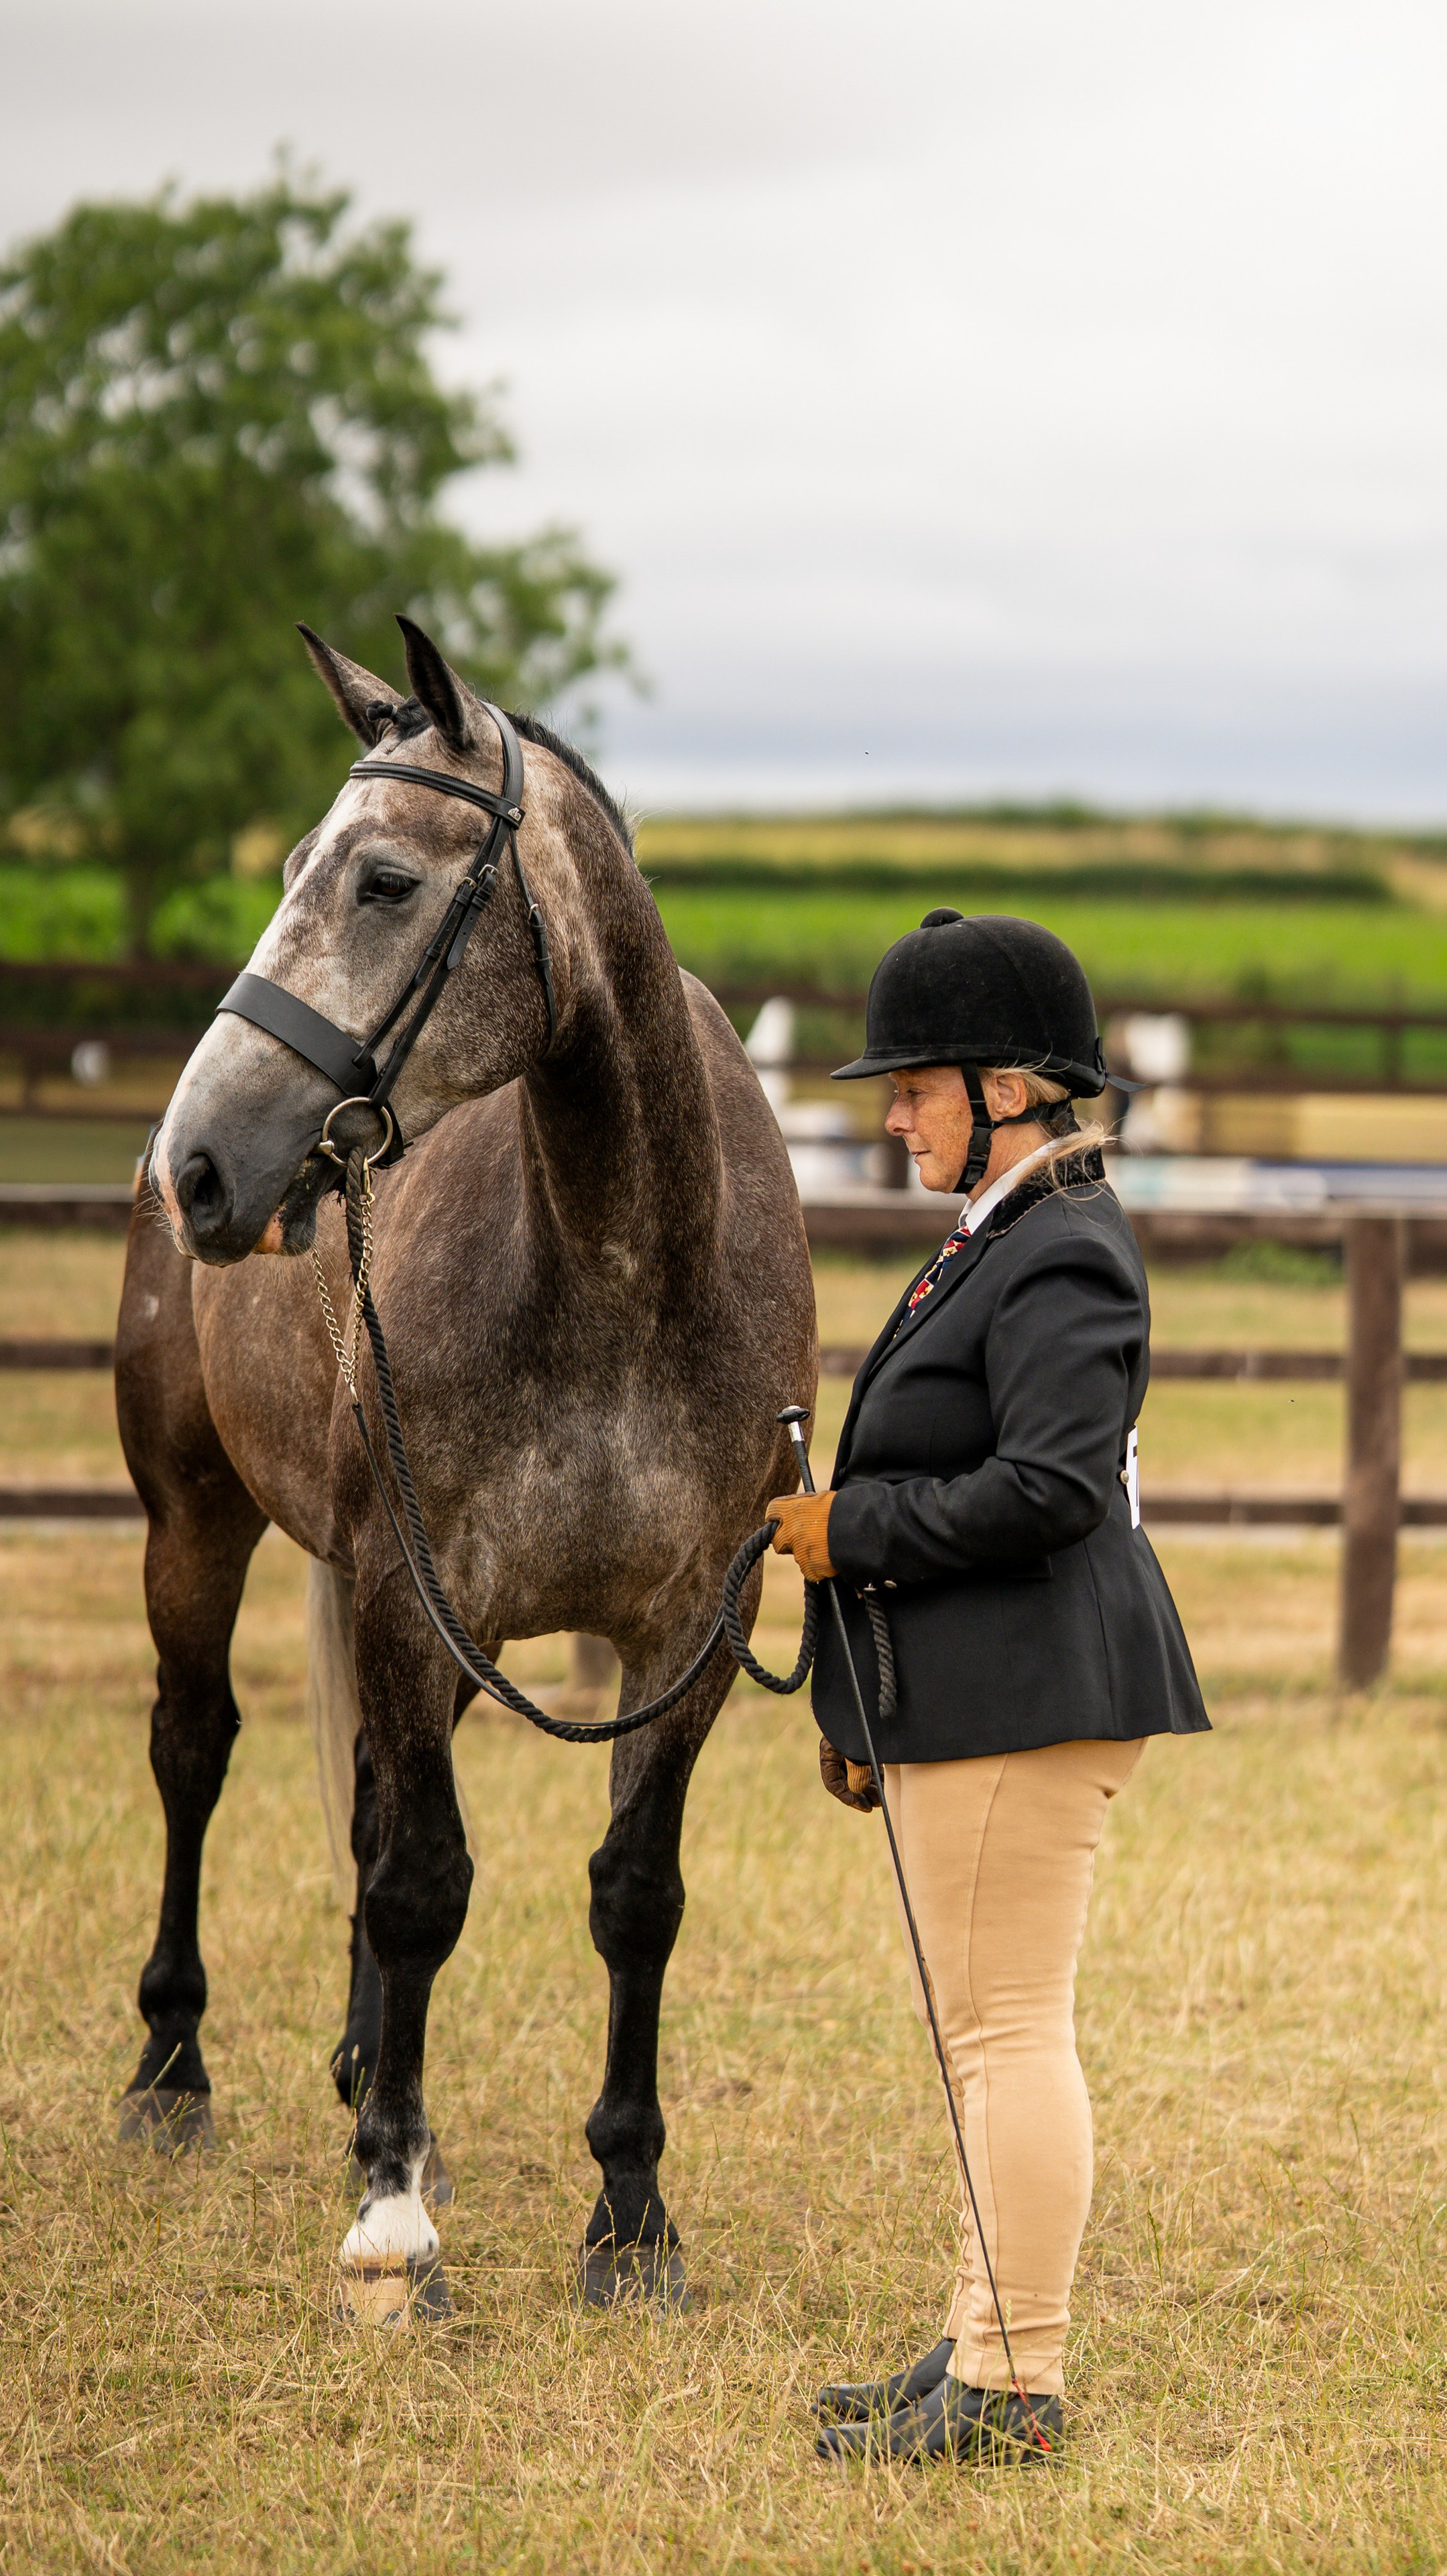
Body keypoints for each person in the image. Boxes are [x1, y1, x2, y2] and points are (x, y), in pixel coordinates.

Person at [766, 908, 1208, 2467]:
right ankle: (978, 2340)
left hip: (1032, 1689)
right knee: (982, 2036)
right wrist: (866, 1702)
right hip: (978, 1690)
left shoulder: (1061, 1248)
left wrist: (849, 1533)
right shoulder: (1004, 1234)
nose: (891, 1114)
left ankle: (1013, 2379)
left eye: (912, 1087)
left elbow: (1048, 1489)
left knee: (1006, 2036)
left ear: (1002, 1089)